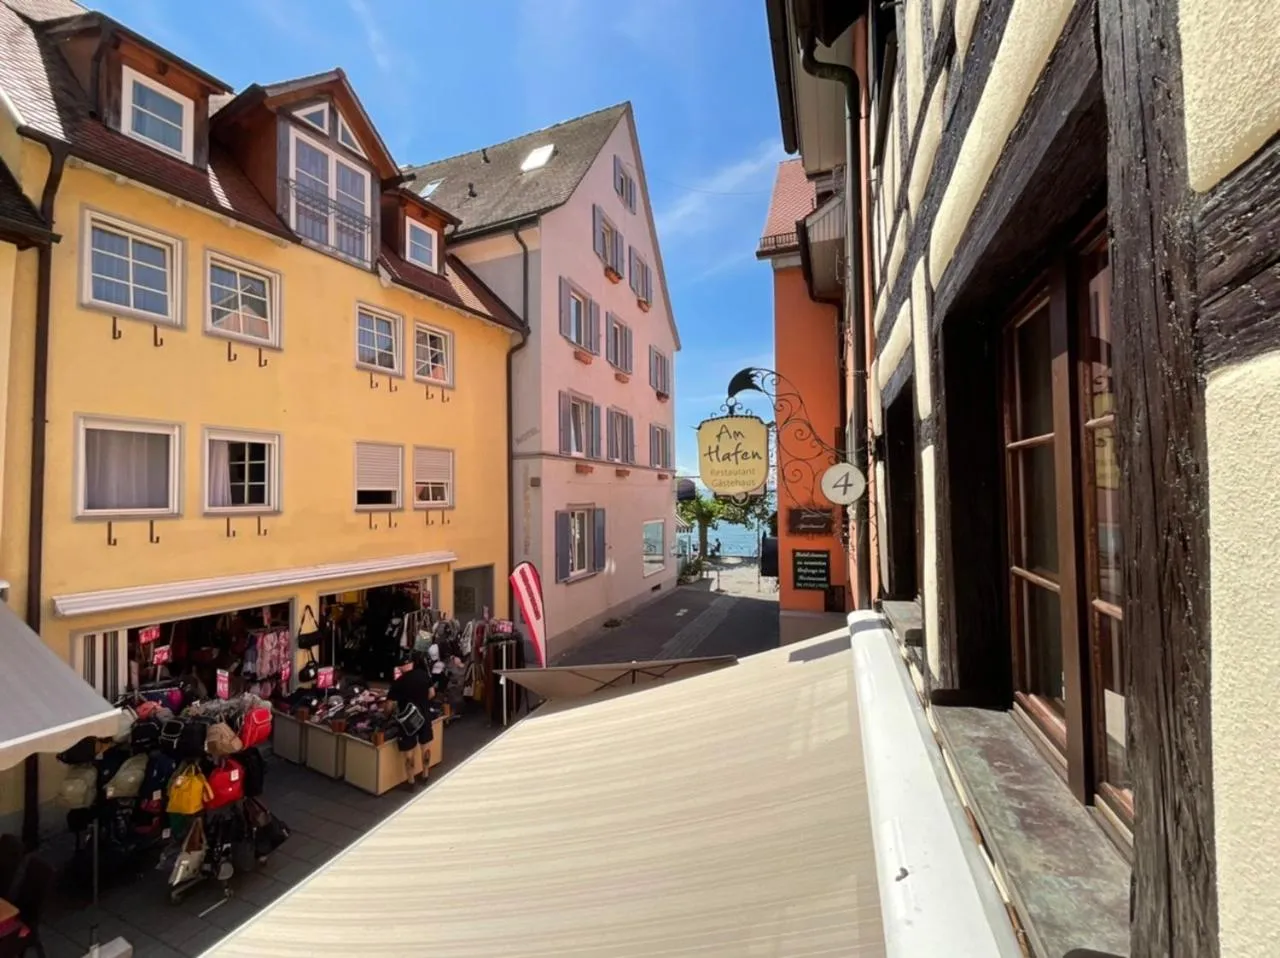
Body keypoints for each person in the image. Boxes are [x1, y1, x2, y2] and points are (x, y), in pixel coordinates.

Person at [386, 651, 436, 791]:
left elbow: (389, 706)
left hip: (407, 719)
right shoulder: (423, 675)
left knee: (409, 751)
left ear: (401, 667)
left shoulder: (398, 683)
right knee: (425, 746)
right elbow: (432, 693)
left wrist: (387, 713)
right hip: (424, 715)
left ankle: (411, 781)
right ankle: (425, 775)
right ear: (412, 664)